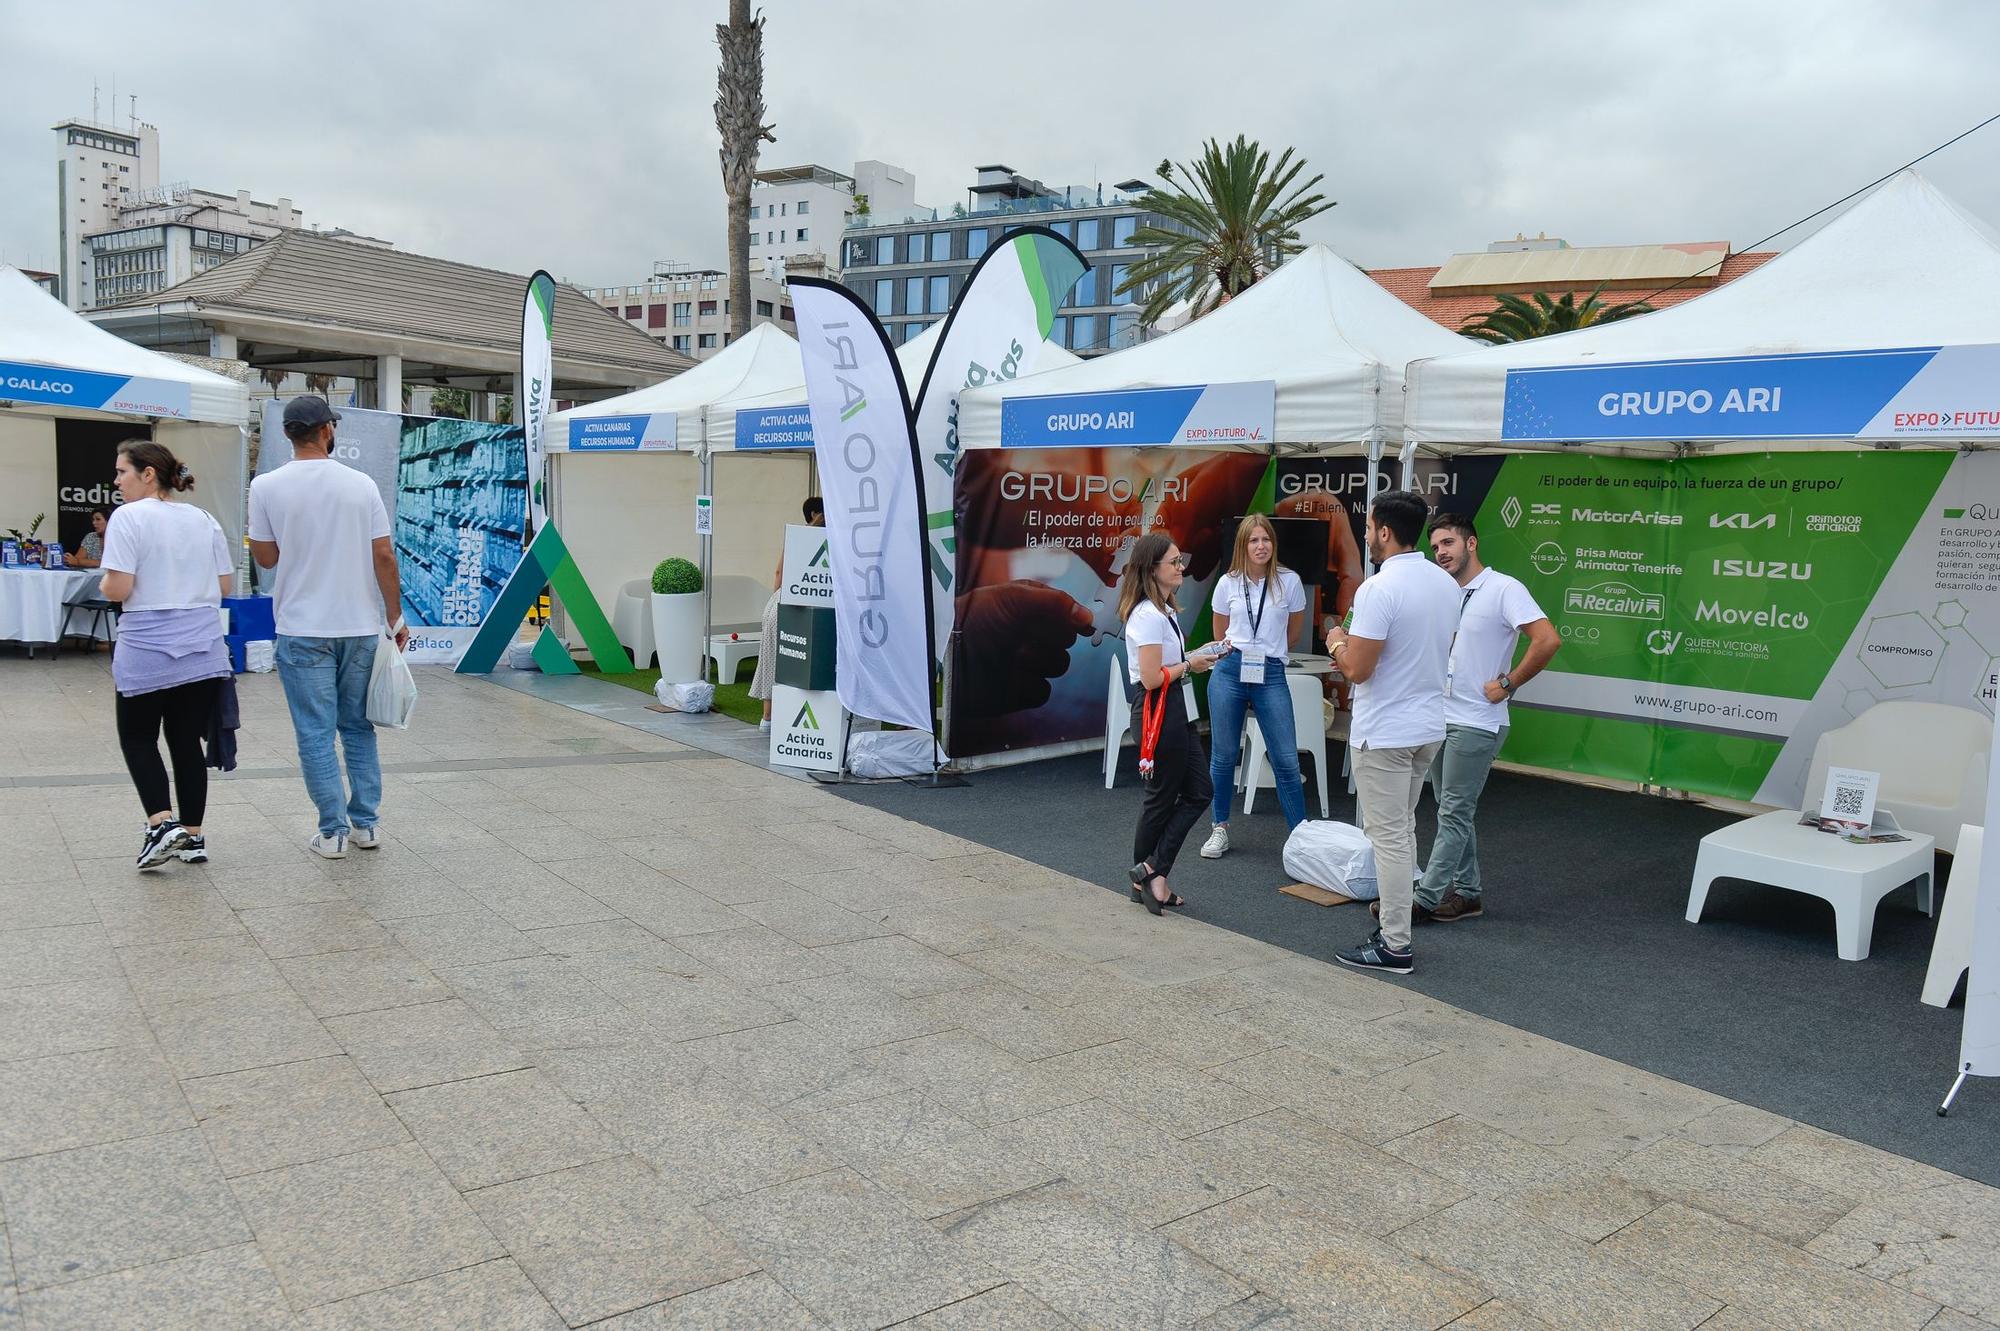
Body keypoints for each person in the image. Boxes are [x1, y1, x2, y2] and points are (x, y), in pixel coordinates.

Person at [248, 395, 409, 859]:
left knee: (315, 733)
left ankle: (332, 831)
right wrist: (394, 616)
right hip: (358, 626)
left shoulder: (266, 486)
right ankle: (367, 825)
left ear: (289, 435)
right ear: (326, 432)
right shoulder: (361, 485)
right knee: (357, 728)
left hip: (301, 627)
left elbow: (265, 558)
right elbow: (383, 555)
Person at [1324, 490, 1459, 973]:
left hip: (1386, 732)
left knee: (1392, 838)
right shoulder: (1446, 584)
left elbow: (1358, 670)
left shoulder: (1378, 588)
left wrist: (1337, 641)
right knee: (1401, 832)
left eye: (1369, 527)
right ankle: (1394, 930)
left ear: (1384, 531)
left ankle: (1395, 944)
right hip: (1427, 726)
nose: (1365, 535)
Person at [1408, 511, 1560, 922]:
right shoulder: (1444, 592)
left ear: (1470, 543)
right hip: (1441, 715)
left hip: (1478, 720)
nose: (1441, 552)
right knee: (1450, 808)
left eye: (1448, 543)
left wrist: (1509, 683)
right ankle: (1469, 894)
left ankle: (1425, 899)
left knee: (1454, 810)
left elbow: (1547, 639)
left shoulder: (1502, 588)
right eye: (1435, 545)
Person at [98, 443, 233, 869]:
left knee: (138, 737)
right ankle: (192, 836)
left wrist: (103, 586)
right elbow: (225, 585)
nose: (117, 481)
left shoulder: (128, 517)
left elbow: (118, 588)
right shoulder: (204, 518)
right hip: (203, 645)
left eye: (122, 472)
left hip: (148, 643)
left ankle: (161, 825)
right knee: (185, 742)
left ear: (149, 474)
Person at [1119, 531, 1229, 915]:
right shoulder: (1148, 615)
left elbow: (1163, 668)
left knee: (1198, 791)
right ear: (1153, 569)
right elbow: (1150, 678)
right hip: (1156, 710)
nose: (1181, 567)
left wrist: (1194, 657)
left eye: (1181, 560)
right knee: (1163, 797)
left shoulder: (1161, 611)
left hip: (1172, 708)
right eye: (1174, 562)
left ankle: (1149, 871)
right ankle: (1148, 878)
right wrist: (1191, 665)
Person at [1200, 514, 1310, 858]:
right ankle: (1220, 828)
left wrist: (1269, 652)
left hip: (1271, 672)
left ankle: (1301, 838)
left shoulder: (1289, 581)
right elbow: (1220, 634)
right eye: (1253, 540)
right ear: (1242, 546)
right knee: (1223, 755)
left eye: (1266, 540)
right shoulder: (1227, 583)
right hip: (1230, 672)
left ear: (1273, 545)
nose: (1261, 546)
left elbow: (1293, 632)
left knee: (1286, 759)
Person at [752, 495, 823, 730]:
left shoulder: (794, 537)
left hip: (780, 602)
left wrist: (776, 598)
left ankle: (768, 718)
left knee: (771, 658)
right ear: (815, 514)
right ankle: (794, 716)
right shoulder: (827, 540)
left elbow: (778, 574)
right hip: (803, 607)